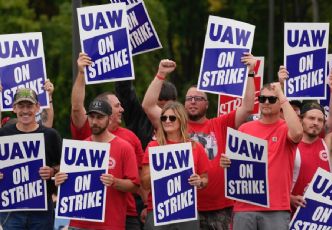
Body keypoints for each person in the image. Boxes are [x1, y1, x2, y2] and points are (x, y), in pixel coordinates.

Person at [142, 54, 256, 229]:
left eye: (199, 98)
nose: (193, 102)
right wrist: (160, 75)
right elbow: (148, 106)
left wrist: (250, 73)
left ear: (207, 104)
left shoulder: (220, 123)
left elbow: (248, 107)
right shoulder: (172, 122)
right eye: (189, 98)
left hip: (219, 208)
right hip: (180, 208)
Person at [71, 52, 144, 230]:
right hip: (85, 217)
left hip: (125, 213)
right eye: (118, 105)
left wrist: (147, 205)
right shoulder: (85, 137)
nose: (123, 109)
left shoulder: (128, 139)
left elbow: (138, 180)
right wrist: (81, 73)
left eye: (99, 117)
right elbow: (76, 107)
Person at [220, 82, 303, 230]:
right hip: (244, 206)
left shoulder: (286, 128)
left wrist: (283, 97)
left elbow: (297, 133)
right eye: (262, 98)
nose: (265, 102)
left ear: (280, 103)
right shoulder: (245, 128)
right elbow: (234, 165)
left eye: (271, 99)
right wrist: (226, 162)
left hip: (276, 208)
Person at [56, 99, 140, 230]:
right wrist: (60, 180)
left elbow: (134, 186)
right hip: (78, 223)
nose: (94, 122)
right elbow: (68, 183)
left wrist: (115, 182)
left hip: (110, 224)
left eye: (100, 117)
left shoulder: (124, 147)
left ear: (110, 118)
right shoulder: (79, 147)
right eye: (91, 117)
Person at [290, 70, 332, 209]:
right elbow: (275, 177)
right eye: (311, 118)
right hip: (292, 214)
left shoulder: (328, 143)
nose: (316, 123)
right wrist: (289, 198)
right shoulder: (289, 144)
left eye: (320, 120)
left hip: (322, 216)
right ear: (300, 120)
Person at [0, 87, 62, 229]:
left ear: (38, 107)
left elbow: (64, 167)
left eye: (29, 106)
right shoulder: (3, 134)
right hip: (12, 211)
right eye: (21, 106)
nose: (25, 110)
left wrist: (52, 171)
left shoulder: (50, 135)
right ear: (14, 108)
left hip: (42, 211)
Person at [141, 101, 209, 230]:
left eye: (172, 118)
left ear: (181, 120)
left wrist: (199, 181)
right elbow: (144, 183)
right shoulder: (153, 146)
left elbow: (205, 179)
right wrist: (159, 170)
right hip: (158, 211)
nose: (167, 121)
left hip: (186, 212)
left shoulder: (195, 147)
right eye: (164, 118)